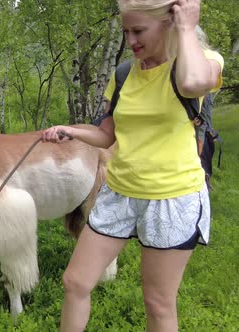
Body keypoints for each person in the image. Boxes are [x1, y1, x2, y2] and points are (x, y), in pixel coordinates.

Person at [40, 0, 224, 331]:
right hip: (120, 194)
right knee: (75, 282)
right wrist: (70, 130)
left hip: (171, 198)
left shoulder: (204, 62)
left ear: (169, 24)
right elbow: (106, 133)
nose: (131, 41)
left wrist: (185, 26)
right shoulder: (124, 74)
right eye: (126, 32)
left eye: (138, 30)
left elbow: (193, 84)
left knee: (157, 303)